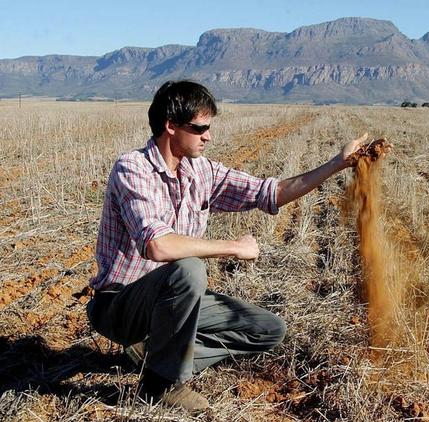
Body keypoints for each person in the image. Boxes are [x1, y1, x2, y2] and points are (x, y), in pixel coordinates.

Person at [86, 80, 369, 411]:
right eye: (201, 128)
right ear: (171, 126)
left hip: (174, 304)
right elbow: (157, 246)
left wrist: (338, 162)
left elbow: (271, 192)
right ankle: (161, 385)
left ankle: (153, 354)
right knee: (189, 269)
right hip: (121, 304)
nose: (209, 136)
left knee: (267, 330)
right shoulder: (133, 168)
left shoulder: (202, 171)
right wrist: (232, 247)